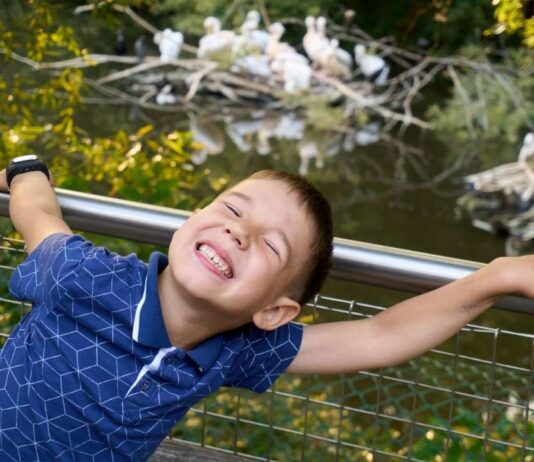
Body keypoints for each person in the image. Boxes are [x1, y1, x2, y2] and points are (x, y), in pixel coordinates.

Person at [0, 156, 533, 461]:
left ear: (275, 311)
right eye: (232, 209)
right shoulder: (86, 277)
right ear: (193, 219)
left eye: (271, 246)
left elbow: (380, 335)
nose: (240, 231)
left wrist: (497, 278)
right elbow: (40, 219)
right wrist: (27, 172)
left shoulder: (237, 350)